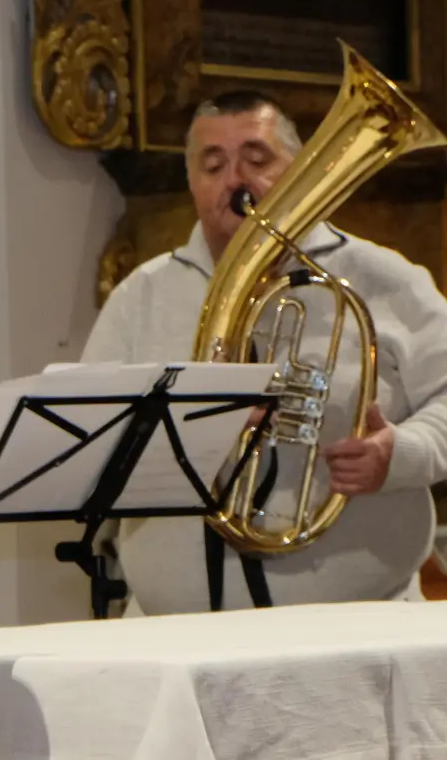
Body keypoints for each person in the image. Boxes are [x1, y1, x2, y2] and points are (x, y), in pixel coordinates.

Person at [80, 89, 447, 615]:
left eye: (257, 159)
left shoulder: (383, 277)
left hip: (356, 628)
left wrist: (401, 454)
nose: (236, 180)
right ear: (192, 182)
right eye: (214, 165)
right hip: (172, 631)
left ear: (300, 171)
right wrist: (199, 430)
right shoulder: (143, 295)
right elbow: (95, 446)